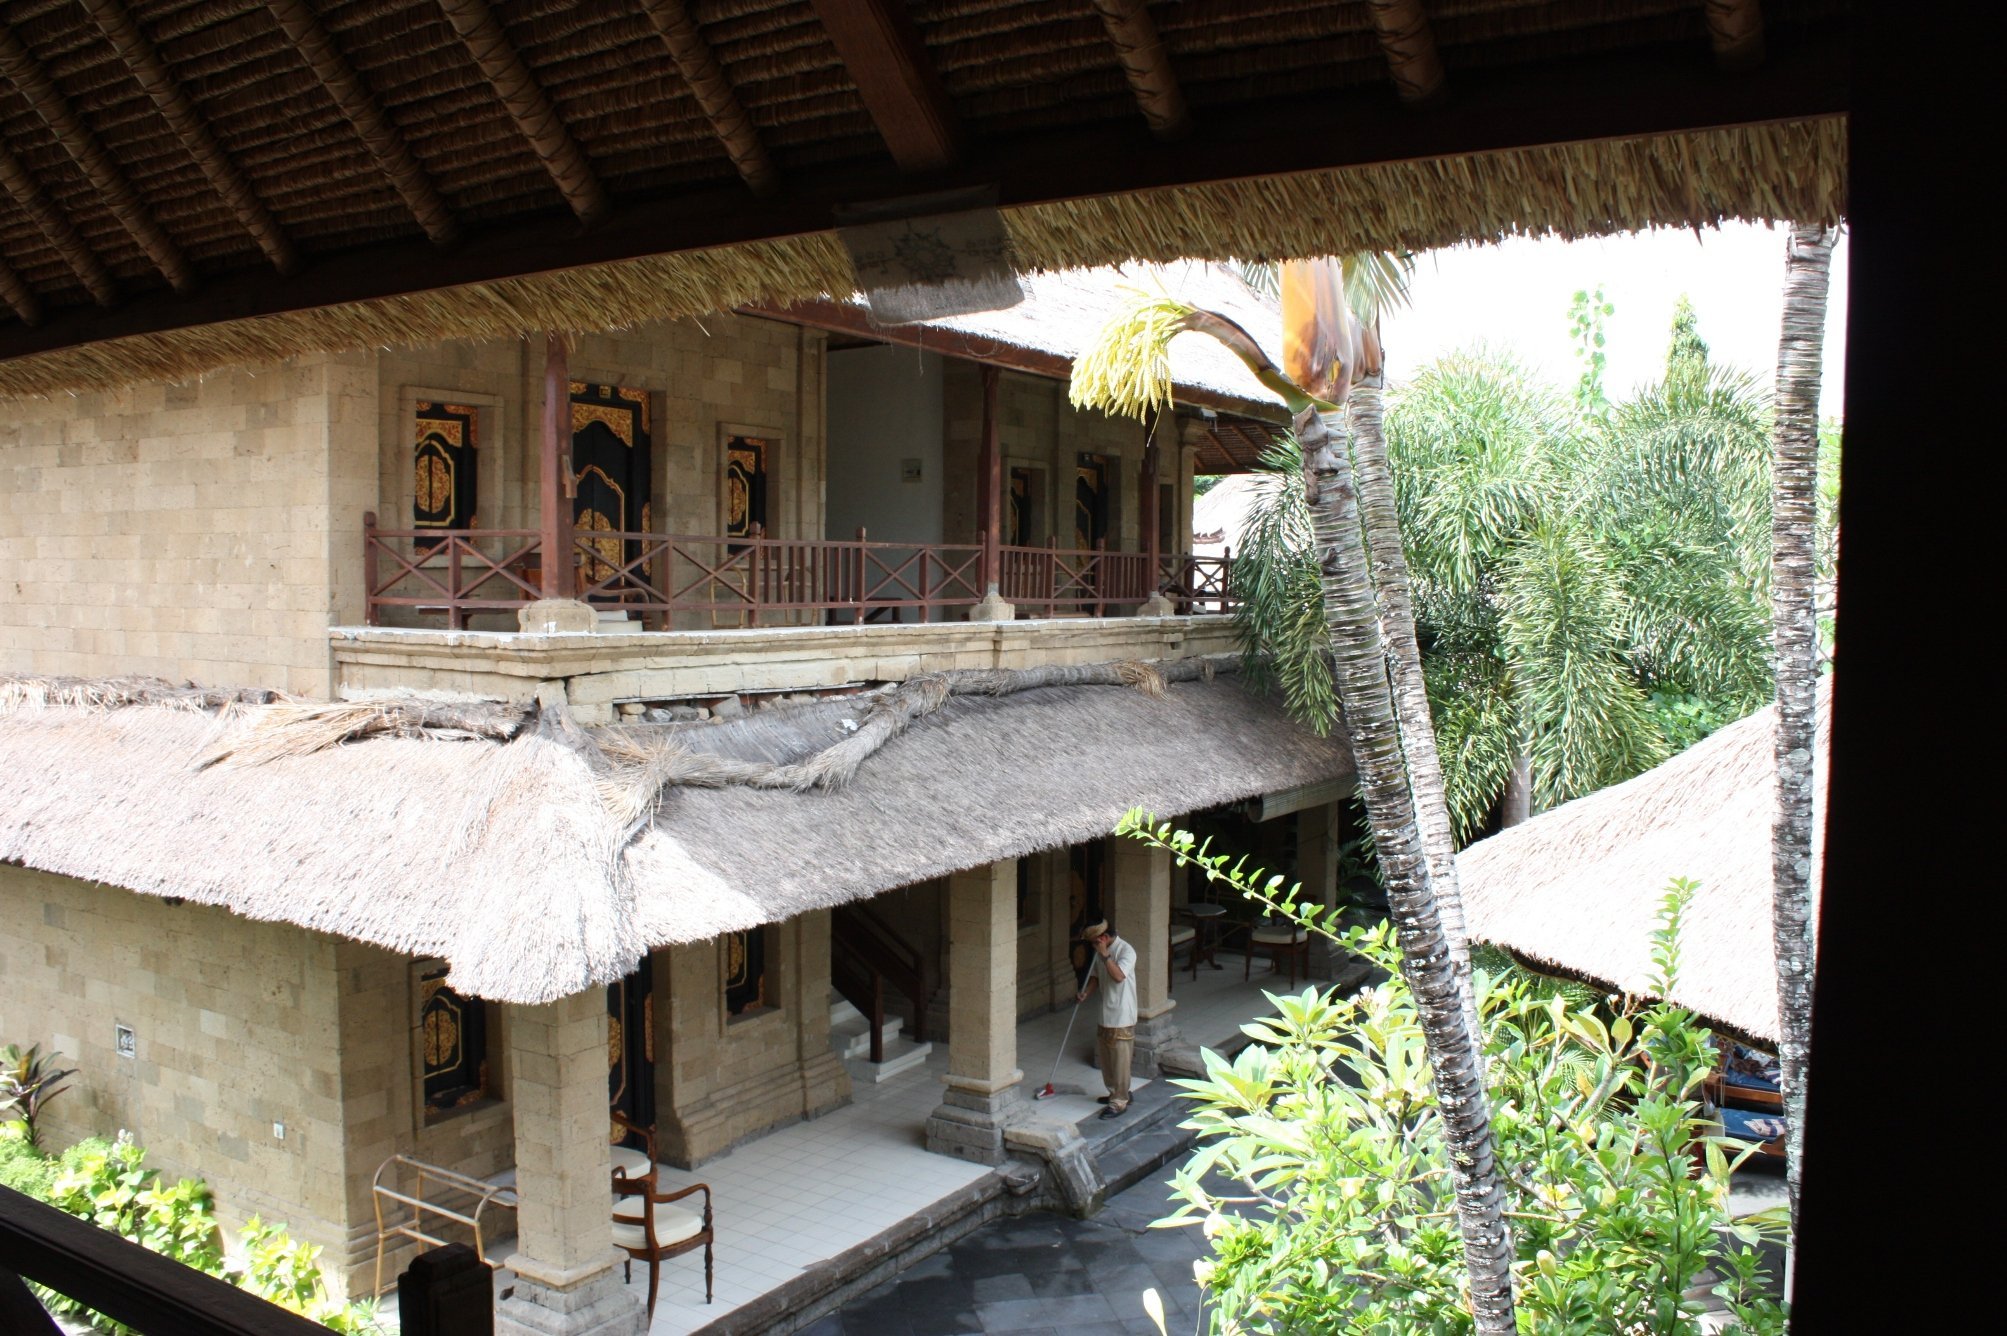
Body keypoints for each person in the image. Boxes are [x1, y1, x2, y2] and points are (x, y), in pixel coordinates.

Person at [1075, 918, 1137, 1119]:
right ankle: (1115, 1092)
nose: (1094, 946)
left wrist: (1105, 955)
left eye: (1095, 942)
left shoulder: (1126, 951)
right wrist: (1086, 992)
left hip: (1122, 1015)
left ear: (1104, 938)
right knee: (1107, 1058)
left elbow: (1118, 976)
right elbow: (1096, 976)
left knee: (1120, 1061)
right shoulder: (1099, 952)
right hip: (1105, 1013)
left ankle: (1120, 1101)